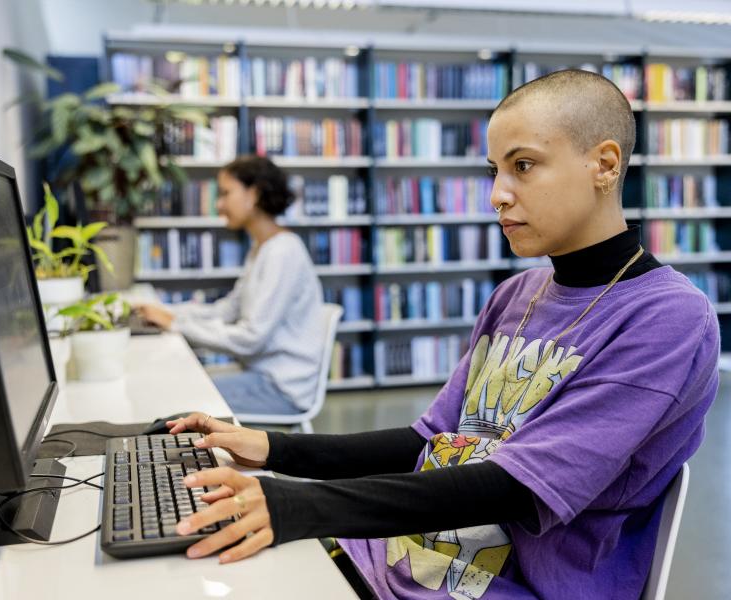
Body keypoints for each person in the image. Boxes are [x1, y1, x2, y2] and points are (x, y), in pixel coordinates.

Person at [163, 70, 720, 600]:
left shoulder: (667, 318)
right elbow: (430, 442)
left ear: (604, 164)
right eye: (494, 171)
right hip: (394, 559)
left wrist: (301, 505)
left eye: (523, 166)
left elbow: (518, 487)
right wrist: (272, 448)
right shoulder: (517, 295)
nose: (497, 194)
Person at [137, 155, 324, 416]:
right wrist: (168, 313)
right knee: (174, 387)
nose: (219, 204)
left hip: (280, 388)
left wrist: (176, 324)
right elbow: (227, 310)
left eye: (225, 193)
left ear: (253, 194)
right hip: (259, 375)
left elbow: (250, 339)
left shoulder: (282, 252)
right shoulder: (262, 248)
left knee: (174, 396)